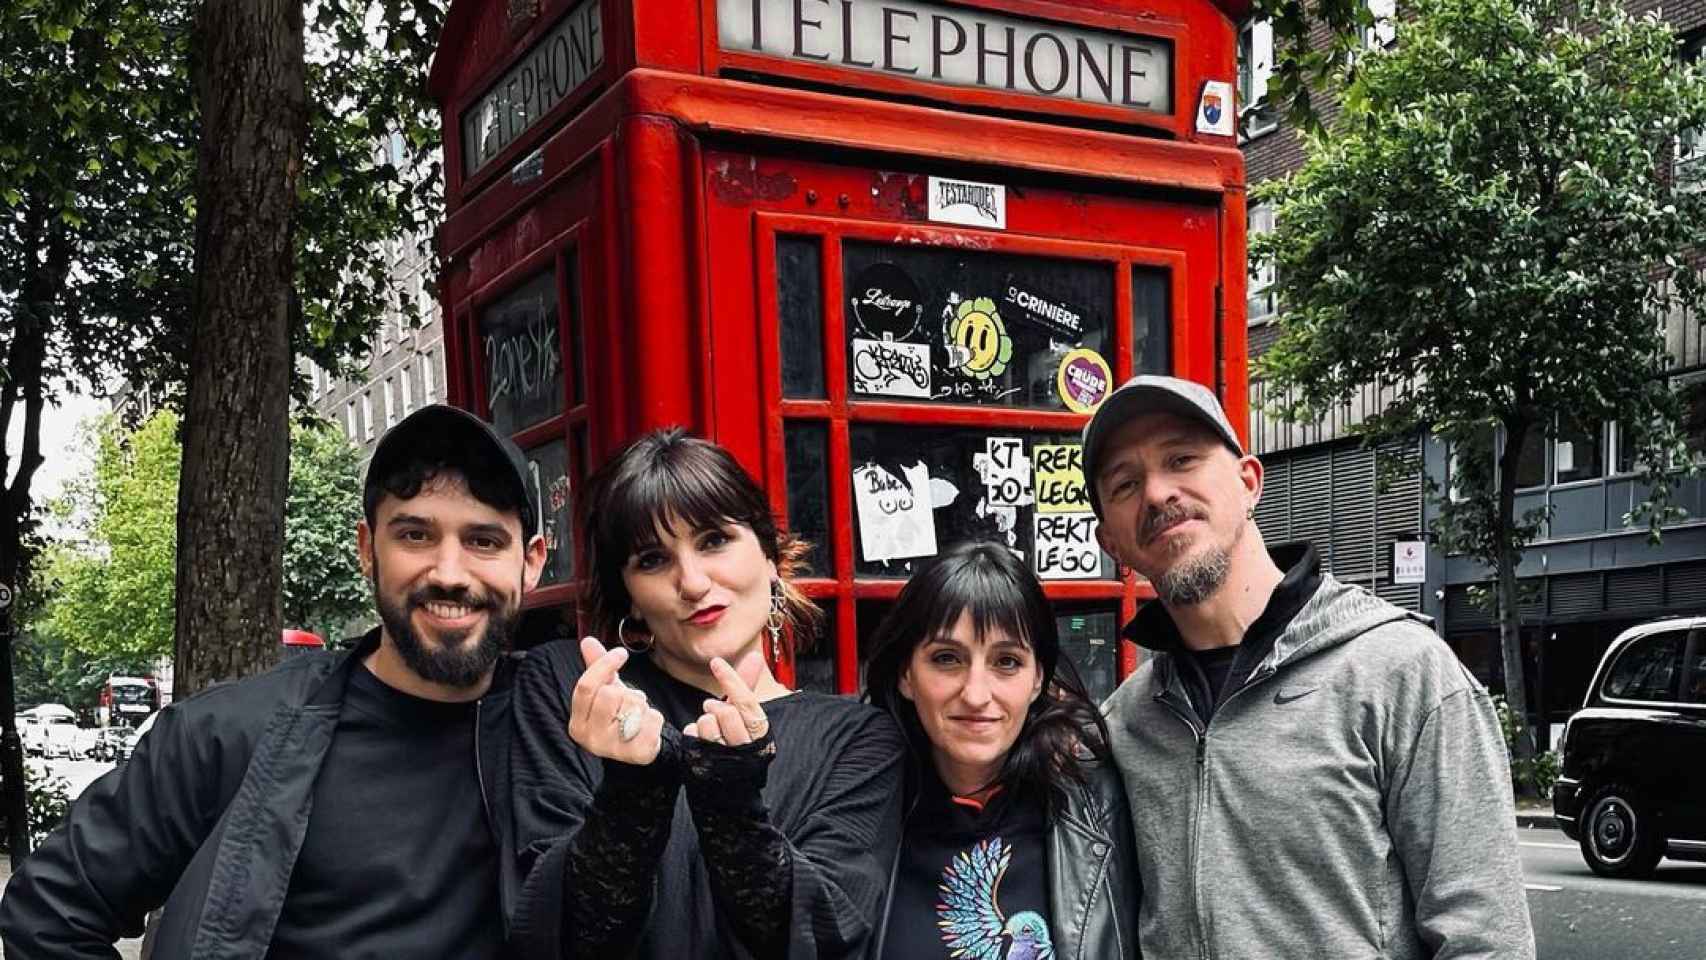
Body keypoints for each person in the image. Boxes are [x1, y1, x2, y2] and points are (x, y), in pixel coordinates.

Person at [0, 403, 546, 957]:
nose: (449, 573)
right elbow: (49, 910)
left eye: (483, 541)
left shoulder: (562, 740)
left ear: (531, 562)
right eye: (415, 535)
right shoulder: (225, 735)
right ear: (366, 550)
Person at [1081, 374, 1535, 959]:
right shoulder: (1125, 722)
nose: (1157, 493)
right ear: (1110, 541)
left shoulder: (1400, 672)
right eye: (1125, 484)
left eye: (1182, 459)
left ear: (1249, 483)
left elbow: (1487, 939)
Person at [508, 428, 905, 959]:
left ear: (769, 556)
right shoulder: (574, 690)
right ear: (631, 598)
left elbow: (827, 936)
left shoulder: (858, 739)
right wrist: (630, 790)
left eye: (714, 539)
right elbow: (556, 935)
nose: (692, 582)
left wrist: (732, 799)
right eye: (652, 560)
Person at [863, 541, 1140, 960]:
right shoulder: (857, 813)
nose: (976, 694)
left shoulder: (1098, 807)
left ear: (1037, 680)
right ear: (906, 674)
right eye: (946, 658)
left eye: (1006, 662)